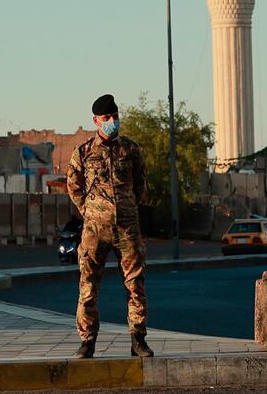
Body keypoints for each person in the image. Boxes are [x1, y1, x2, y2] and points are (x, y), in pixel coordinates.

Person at [67, 94, 153, 359]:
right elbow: (74, 187)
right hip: (95, 231)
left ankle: (138, 339)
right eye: (107, 118)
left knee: (135, 284)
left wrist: (127, 208)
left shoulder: (131, 150)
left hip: (127, 229)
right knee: (89, 286)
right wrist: (91, 211)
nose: (112, 121)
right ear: (96, 120)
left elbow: (142, 187)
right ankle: (87, 341)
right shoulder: (83, 152)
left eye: (115, 117)